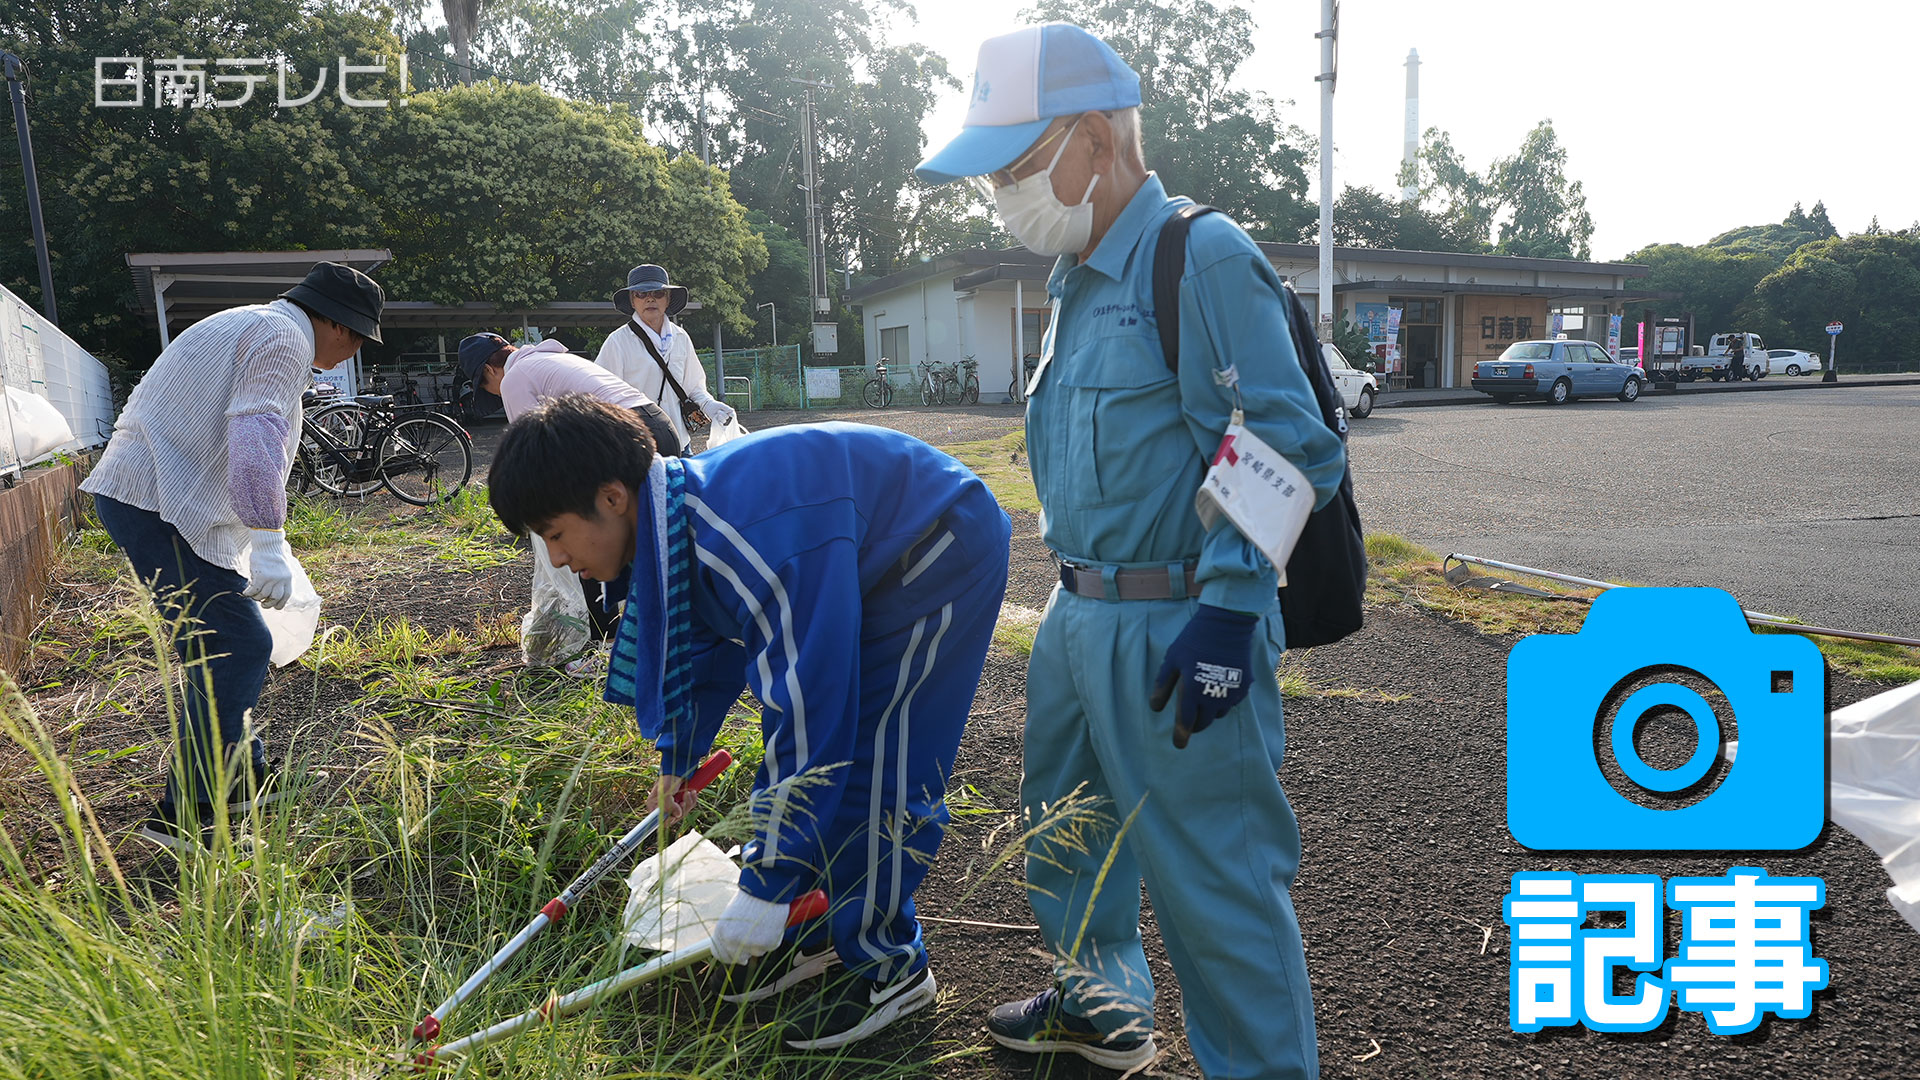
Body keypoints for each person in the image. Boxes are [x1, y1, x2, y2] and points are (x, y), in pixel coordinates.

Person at [916, 23, 1347, 1080]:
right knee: (1066, 836)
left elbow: (1287, 441)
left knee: (1215, 881)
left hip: (1181, 616)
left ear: (1096, 139)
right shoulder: (1075, 277)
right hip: (1076, 615)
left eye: (1018, 167)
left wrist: (1233, 609)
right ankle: (1098, 1008)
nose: (1005, 196)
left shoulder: (1196, 255)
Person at [486, 395, 1011, 1050]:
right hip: (856, 548)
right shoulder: (672, 523)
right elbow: (701, 644)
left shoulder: (740, 537)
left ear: (613, 497)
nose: (558, 560)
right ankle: (819, 929)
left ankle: (889, 967)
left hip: (935, 544)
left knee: (879, 760)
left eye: (556, 534)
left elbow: (810, 715)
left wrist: (768, 880)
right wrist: (678, 759)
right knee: (840, 757)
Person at [80, 261, 384, 851]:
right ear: (338, 326)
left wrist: (267, 539)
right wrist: (267, 540)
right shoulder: (282, 338)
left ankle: (243, 778)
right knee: (238, 645)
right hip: (158, 503)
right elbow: (255, 437)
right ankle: (184, 817)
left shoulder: (254, 322)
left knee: (216, 644)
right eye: (357, 339)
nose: (349, 355)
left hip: (153, 496)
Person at [460, 333, 686, 643]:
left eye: (487, 389)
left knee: (584, 531)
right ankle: (652, 634)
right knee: (647, 537)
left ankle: (605, 642)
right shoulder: (548, 358)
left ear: (489, 370)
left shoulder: (514, 379)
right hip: (654, 426)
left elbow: (532, 454)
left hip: (621, 436)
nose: (494, 395)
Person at [593, 264, 736, 449]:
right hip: (638, 445)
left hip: (680, 442)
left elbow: (693, 387)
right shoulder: (618, 342)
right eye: (641, 294)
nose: (650, 299)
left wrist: (710, 405)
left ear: (667, 299)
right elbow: (601, 395)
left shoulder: (680, 338)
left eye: (658, 294)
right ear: (632, 300)